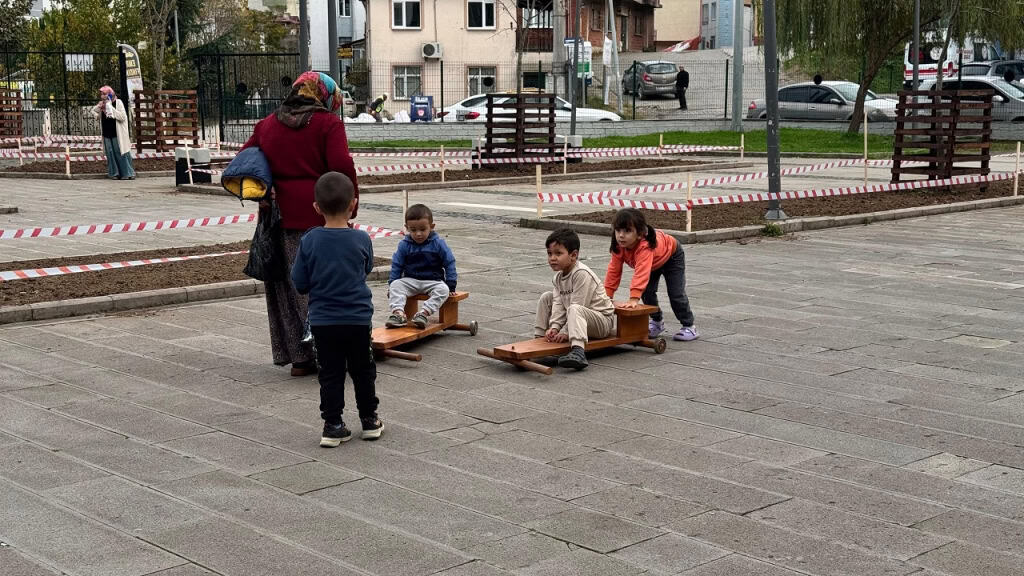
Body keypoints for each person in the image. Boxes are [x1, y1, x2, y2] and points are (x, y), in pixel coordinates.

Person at [241, 71, 360, 377]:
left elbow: (246, 161)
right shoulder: (328, 124)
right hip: (321, 215)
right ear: (324, 93)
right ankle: (330, 354)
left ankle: (300, 357)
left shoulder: (267, 124)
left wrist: (265, 193)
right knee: (324, 286)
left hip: (278, 218)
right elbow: (340, 166)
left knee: (288, 286)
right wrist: (351, 201)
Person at [291, 171, 382, 447]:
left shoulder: (309, 241)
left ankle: (333, 425)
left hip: (323, 321)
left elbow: (300, 282)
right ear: (353, 204)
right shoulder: (361, 239)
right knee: (363, 369)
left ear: (316, 208)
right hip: (357, 319)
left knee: (330, 373)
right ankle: (369, 419)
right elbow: (366, 269)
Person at [605, 208, 698, 342]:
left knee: (676, 293)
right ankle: (657, 322)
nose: (621, 235)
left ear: (639, 234)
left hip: (672, 256)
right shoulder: (618, 246)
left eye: (627, 231)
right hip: (653, 263)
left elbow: (641, 272)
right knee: (647, 292)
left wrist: (633, 299)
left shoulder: (645, 246)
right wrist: (607, 295)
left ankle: (689, 325)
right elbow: (614, 271)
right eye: (618, 230)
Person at [535, 229, 615, 370]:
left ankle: (578, 351)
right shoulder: (558, 278)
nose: (552, 258)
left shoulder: (581, 274)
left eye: (558, 253)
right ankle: (539, 338)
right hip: (577, 317)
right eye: (549, 253)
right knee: (547, 297)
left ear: (573, 255)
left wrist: (565, 332)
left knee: (574, 308)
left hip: (601, 321)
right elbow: (559, 304)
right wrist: (554, 327)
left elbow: (579, 305)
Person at [386, 204, 457, 329]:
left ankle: (423, 314)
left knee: (443, 290)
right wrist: (392, 284)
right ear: (407, 228)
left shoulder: (438, 244)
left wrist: (451, 284)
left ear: (432, 227)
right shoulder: (404, 245)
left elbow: (449, 262)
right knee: (396, 285)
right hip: (411, 280)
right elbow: (397, 265)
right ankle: (398, 313)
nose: (418, 234)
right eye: (413, 230)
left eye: (423, 229)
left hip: (433, 281)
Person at [91, 86, 135, 180]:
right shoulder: (102, 104)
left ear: (110, 94)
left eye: (105, 94)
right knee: (110, 153)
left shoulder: (118, 103)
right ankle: (114, 173)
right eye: (101, 94)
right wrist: (100, 110)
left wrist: (110, 107)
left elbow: (122, 117)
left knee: (120, 152)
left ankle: (127, 173)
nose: (102, 96)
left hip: (117, 133)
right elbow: (94, 112)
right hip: (107, 132)